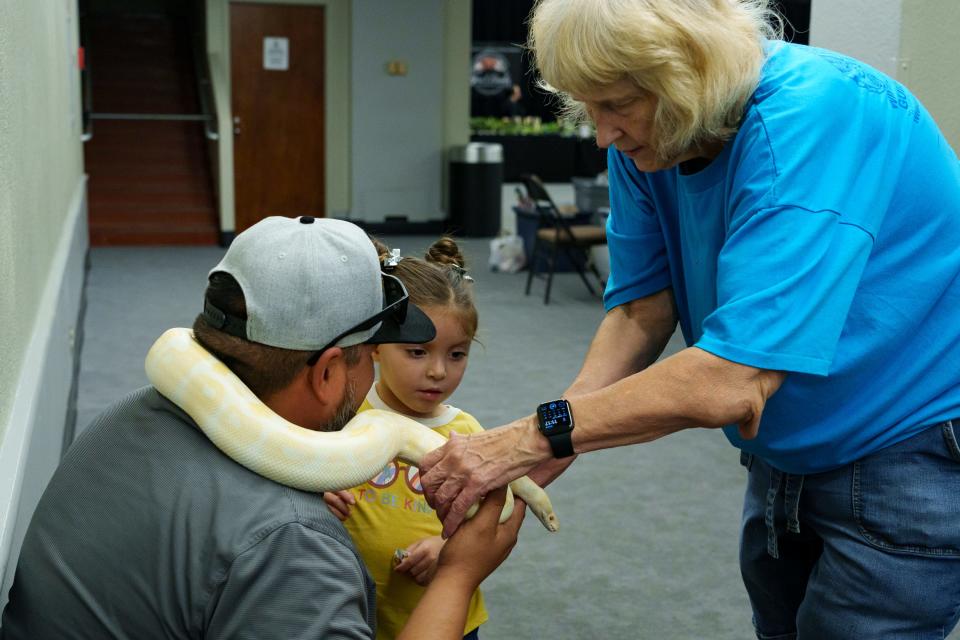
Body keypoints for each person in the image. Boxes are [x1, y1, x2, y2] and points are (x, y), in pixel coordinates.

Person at [419, 1, 960, 638]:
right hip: (784, 451)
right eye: (590, 107)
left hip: (906, 443)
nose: (601, 135)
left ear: (690, 78)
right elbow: (643, 309)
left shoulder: (814, 114)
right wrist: (542, 453)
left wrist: (525, 439)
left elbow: (730, 379)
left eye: (616, 104)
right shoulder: (658, 137)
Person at [0, 216, 524, 639]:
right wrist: (459, 576)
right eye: (368, 355)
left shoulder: (124, 419)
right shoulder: (290, 540)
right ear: (326, 373)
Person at [323, 237, 488, 640]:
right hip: (350, 610)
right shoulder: (342, 417)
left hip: (446, 616)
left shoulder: (468, 435)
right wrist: (316, 494)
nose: (438, 372)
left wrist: (447, 548)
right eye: (417, 352)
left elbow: (490, 519)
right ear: (375, 348)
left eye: (456, 354)